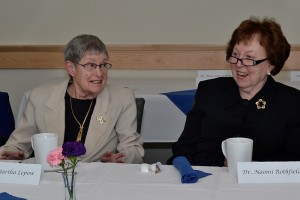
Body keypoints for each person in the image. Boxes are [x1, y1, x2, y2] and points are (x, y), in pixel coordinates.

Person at [167, 16, 300, 166]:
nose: (239, 65)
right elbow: (184, 149)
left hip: (263, 186)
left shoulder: (292, 103)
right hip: (204, 181)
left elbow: (295, 163)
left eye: (249, 58)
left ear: (271, 64)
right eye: (235, 55)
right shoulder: (209, 91)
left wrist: (252, 170)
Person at [0, 34, 144, 163]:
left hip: (98, 179)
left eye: (103, 65)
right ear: (71, 68)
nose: (99, 73)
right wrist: (12, 154)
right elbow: (17, 144)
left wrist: (120, 159)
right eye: (91, 65)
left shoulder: (122, 98)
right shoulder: (40, 97)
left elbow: (132, 148)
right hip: (51, 179)